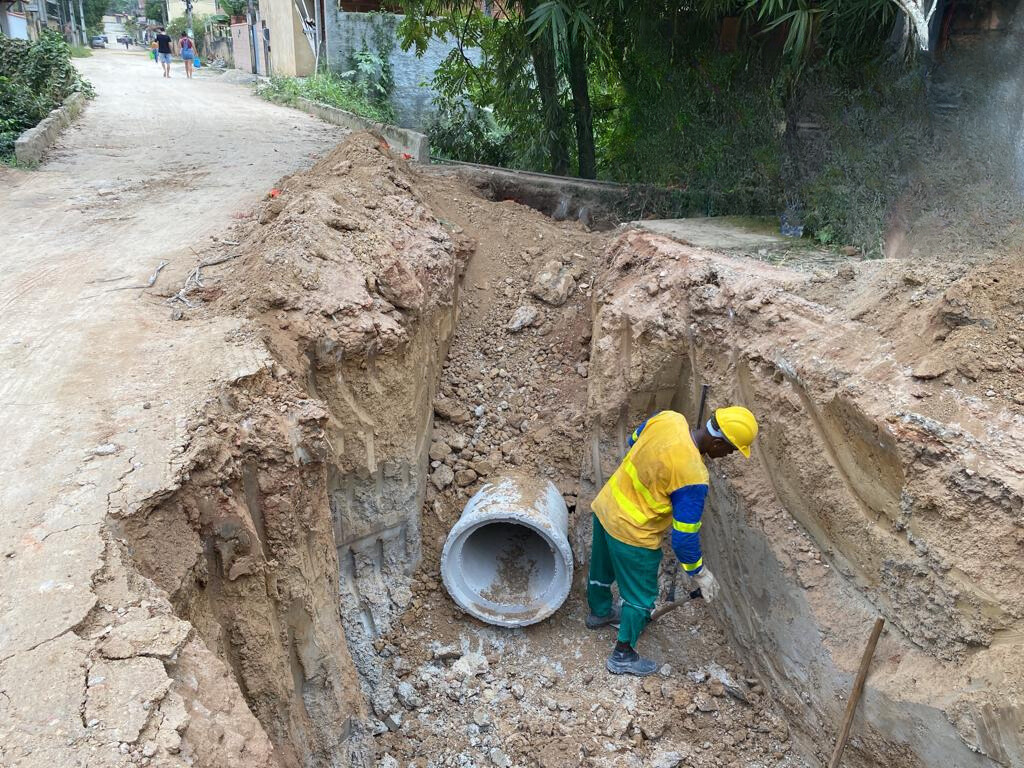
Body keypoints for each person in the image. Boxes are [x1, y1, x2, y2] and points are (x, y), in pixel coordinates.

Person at [586, 406, 759, 676]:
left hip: (608, 505)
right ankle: (623, 655)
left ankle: (599, 612)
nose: (728, 455)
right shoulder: (693, 476)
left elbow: (633, 440)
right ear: (717, 441)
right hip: (634, 533)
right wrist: (699, 573)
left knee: (601, 569)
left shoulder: (670, 419)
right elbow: (683, 538)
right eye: (730, 449)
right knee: (640, 598)